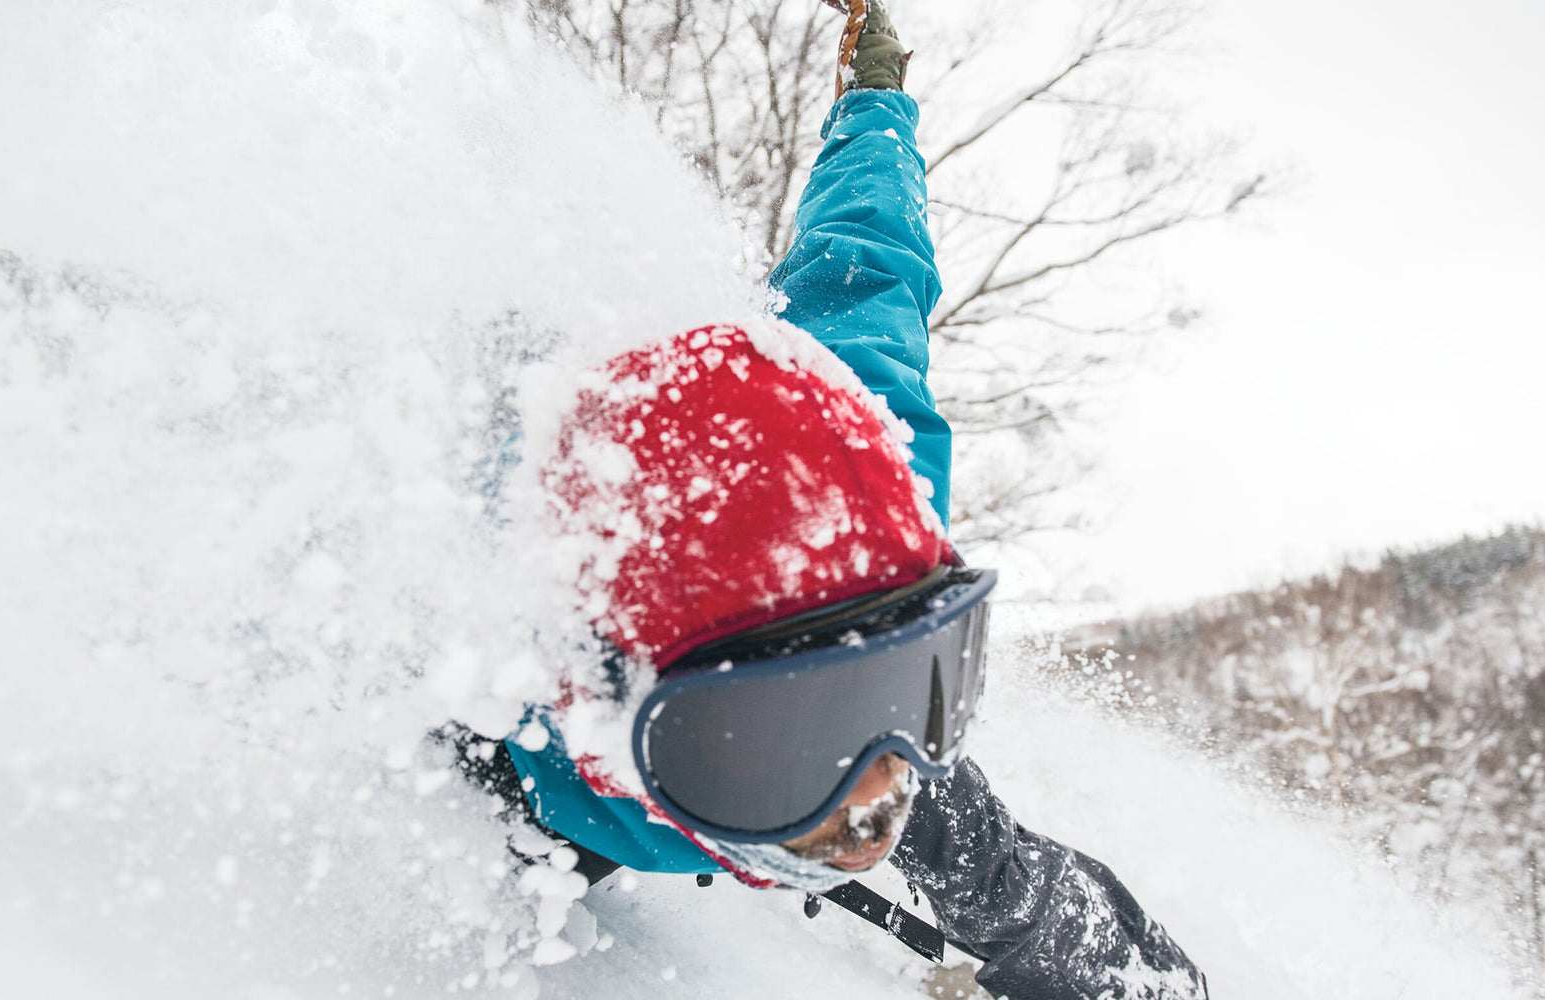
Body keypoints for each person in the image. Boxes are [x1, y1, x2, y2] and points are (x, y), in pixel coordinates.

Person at [461, 2, 1210, 995]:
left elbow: (869, 253)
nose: (873, 808)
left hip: (717, 743)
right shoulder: (469, 674)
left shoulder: (870, 464)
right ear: (596, 690)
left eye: (925, 679)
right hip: (554, 801)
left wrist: (876, 102)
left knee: (987, 868)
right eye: (776, 738)